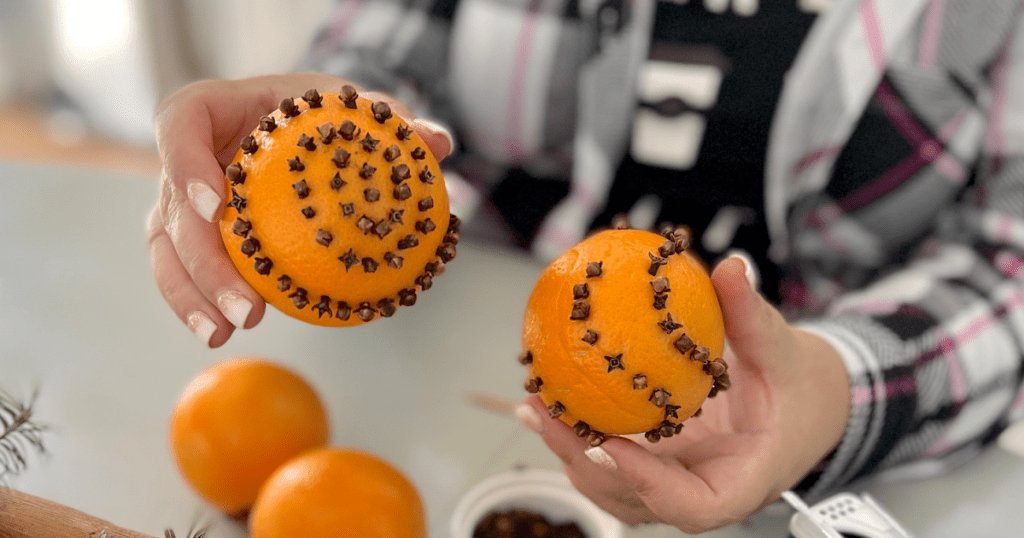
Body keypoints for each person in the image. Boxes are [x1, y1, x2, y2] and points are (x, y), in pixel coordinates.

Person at [146, 0, 1024, 533]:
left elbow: (1009, 254)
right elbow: (383, 53)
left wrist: (833, 391)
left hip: (808, 436)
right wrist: (338, 142)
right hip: (429, 380)